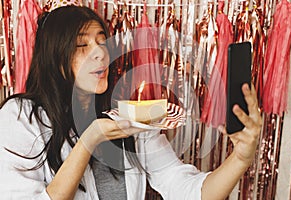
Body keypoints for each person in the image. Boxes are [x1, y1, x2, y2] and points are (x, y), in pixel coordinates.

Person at [0, 5, 262, 200]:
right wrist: (89, 141)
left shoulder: (127, 116)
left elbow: (187, 190)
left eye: (102, 42)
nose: (100, 52)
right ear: (53, 59)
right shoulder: (20, 117)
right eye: (82, 44)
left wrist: (240, 158)